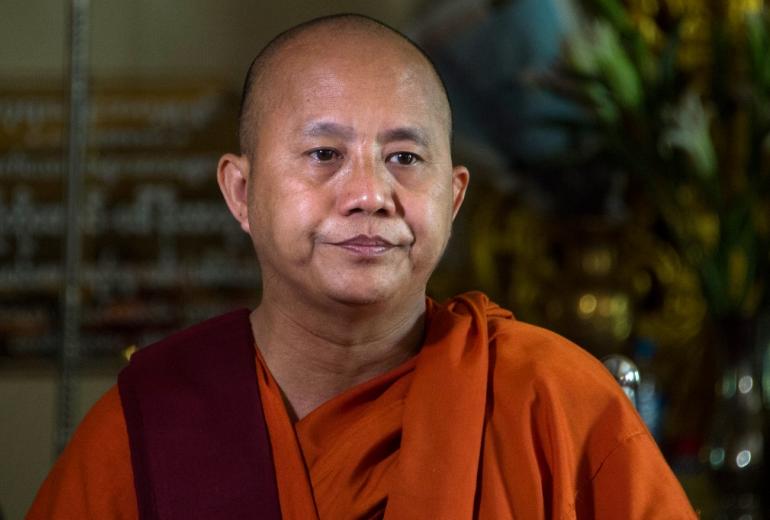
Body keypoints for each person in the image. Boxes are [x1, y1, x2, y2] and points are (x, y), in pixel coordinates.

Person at [28, 13, 697, 519]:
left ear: (454, 196)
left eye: (405, 158)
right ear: (240, 192)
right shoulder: (150, 419)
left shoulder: (553, 400)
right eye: (324, 154)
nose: (371, 195)